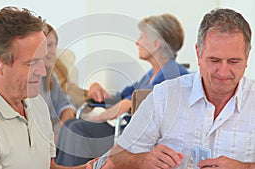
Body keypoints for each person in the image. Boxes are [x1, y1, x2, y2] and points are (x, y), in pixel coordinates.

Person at [101, 8, 255, 169]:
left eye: (233, 61)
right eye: (214, 60)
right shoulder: (165, 95)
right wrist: (142, 161)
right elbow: (118, 156)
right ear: (198, 54)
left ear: (247, 57)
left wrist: (245, 167)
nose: (223, 72)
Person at [0, 6, 103, 169]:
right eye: (32, 63)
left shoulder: (36, 103)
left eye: (43, 60)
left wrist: (87, 168)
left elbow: (48, 167)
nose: (42, 71)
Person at [55, 13, 189, 166]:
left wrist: (98, 118)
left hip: (136, 142)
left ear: (156, 44)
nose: (137, 42)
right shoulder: (152, 74)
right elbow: (120, 97)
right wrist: (96, 89)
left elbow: (128, 104)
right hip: (125, 131)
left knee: (78, 130)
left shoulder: (172, 75)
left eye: (142, 37)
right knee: (71, 124)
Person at [40, 23, 76, 133]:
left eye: (55, 45)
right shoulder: (26, 82)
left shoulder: (50, 77)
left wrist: (65, 120)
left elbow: (64, 103)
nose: (54, 51)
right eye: (49, 45)